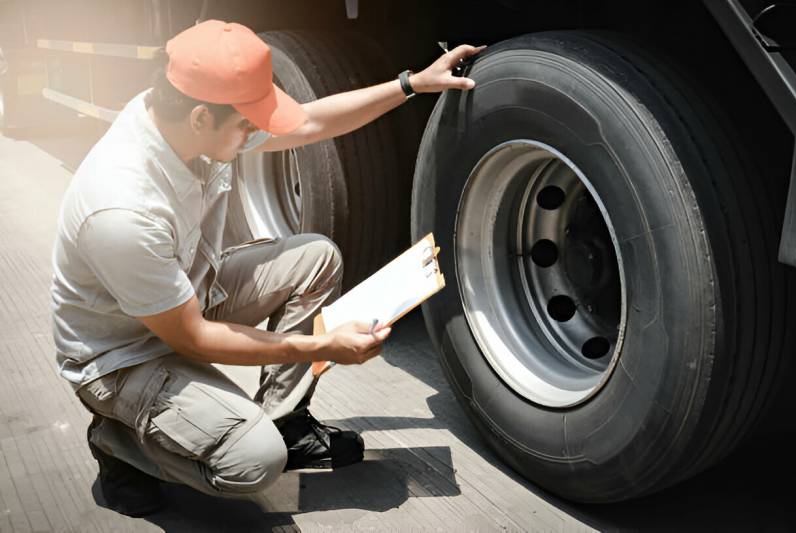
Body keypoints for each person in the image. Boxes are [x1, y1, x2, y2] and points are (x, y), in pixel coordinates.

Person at [50, 19, 483, 517]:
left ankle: (285, 420)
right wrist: (325, 347)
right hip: (124, 356)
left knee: (317, 258)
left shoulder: (189, 124)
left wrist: (411, 83)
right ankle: (119, 442)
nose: (255, 131)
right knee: (253, 463)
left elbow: (311, 123)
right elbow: (193, 339)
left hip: (188, 291)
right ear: (199, 119)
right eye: (246, 123)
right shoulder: (122, 208)